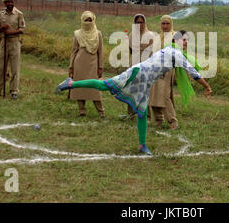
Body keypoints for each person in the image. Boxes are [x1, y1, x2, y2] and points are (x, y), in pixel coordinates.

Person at [56, 31, 212, 156]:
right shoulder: (175, 53)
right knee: (105, 85)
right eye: (184, 40)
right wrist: (207, 87)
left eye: (187, 41)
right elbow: (194, 73)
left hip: (145, 81)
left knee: (142, 113)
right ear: (177, 40)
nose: (186, 43)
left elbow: (189, 69)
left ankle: (142, 145)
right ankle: (71, 83)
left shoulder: (174, 52)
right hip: (137, 74)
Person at [69, 11, 105, 118]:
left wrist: (100, 67)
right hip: (79, 64)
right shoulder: (78, 33)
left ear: (93, 20)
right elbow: (74, 51)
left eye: (90, 20)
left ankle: (101, 112)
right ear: (82, 21)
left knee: (95, 88)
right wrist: (71, 66)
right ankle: (82, 111)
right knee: (79, 86)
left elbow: (101, 52)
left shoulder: (98, 34)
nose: (88, 22)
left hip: (93, 64)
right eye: (86, 20)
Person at [0, 0, 25, 99]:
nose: (10, 4)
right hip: (4, 42)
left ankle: (14, 91)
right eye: (7, 2)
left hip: (15, 42)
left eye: (11, 1)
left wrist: (10, 32)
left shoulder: (19, 14)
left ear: (14, 2)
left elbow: (22, 29)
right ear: (4, 3)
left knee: (15, 67)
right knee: (1, 67)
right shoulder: (1, 14)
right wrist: (1, 30)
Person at [123, 14, 156, 119]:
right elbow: (131, 50)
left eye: (142, 22)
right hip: (134, 63)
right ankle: (131, 113)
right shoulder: (132, 35)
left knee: (145, 89)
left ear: (145, 23)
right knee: (132, 88)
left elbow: (154, 51)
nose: (140, 24)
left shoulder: (151, 35)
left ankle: (148, 115)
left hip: (147, 65)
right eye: (137, 22)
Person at [149, 15, 178, 129]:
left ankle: (173, 122)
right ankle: (158, 120)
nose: (165, 26)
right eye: (163, 24)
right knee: (154, 95)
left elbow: (178, 52)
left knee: (165, 96)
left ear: (171, 24)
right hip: (155, 68)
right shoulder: (158, 38)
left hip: (167, 69)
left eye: (167, 24)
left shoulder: (174, 36)